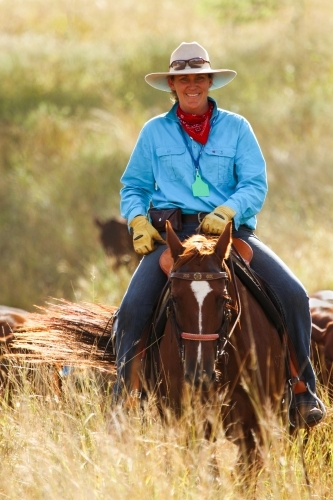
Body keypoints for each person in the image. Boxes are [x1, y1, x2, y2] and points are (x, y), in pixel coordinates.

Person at [113, 41, 324, 426]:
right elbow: (134, 187)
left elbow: (255, 184)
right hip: (174, 237)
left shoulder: (237, 128)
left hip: (231, 233)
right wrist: (137, 221)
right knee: (130, 310)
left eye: (199, 77)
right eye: (183, 79)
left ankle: (301, 389)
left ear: (210, 81)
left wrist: (229, 209)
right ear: (173, 86)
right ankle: (125, 398)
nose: (192, 85)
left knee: (293, 294)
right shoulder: (154, 132)